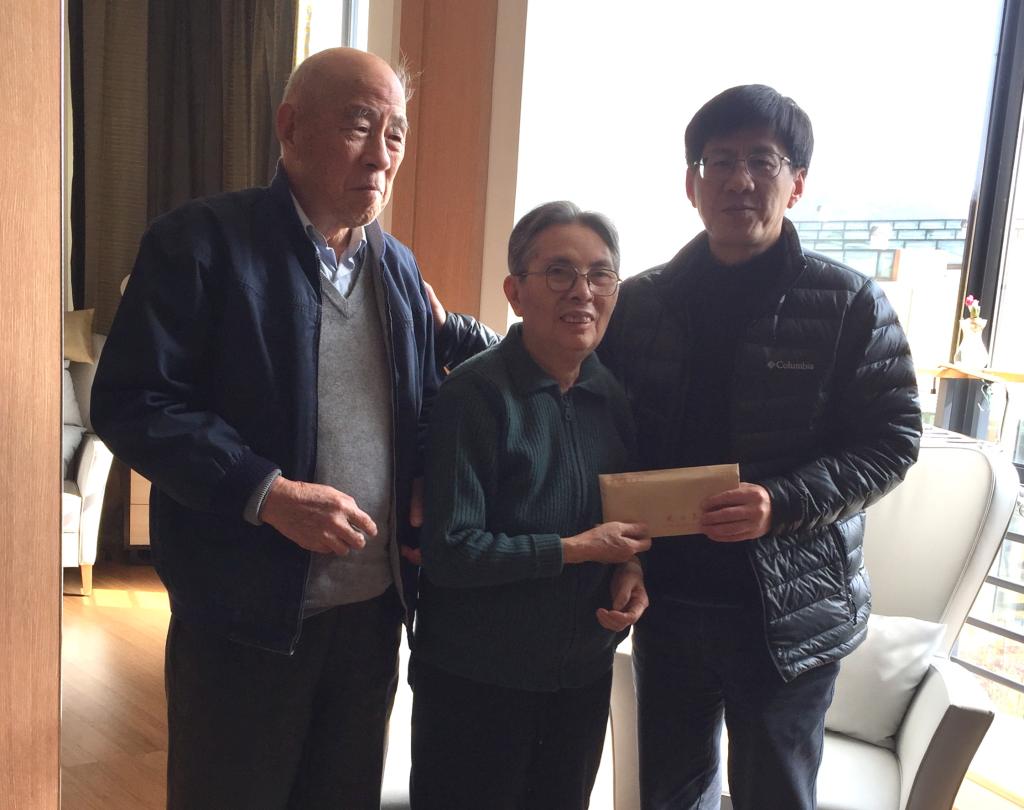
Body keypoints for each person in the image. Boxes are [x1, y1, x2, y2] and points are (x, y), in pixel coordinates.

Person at [92, 47, 444, 810]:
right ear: (289, 127)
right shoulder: (200, 244)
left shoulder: (400, 271)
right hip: (243, 617)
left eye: (395, 134)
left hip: (370, 618)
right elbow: (133, 400)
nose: (381, 156)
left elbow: (420, 410)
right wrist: (267, 492)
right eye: (360, 125)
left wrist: (423, 484)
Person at [594, 85, 923, 809]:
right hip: (667, 602)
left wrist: (781, 503)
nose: (739, 180)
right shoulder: (641, 302)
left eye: (762, 161)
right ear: (692, 184)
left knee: (775, 795)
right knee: (669, 794)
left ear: (796, 182)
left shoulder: (849, 303)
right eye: (719, 161)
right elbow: (598, 426)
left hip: (786, 613)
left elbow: (893, 439)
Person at [410, 202, 651, 810]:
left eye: (600, 274)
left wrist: (628, 567)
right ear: (515, 292)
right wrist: (576, 550)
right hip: (476, 682)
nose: (583, 292)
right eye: (559, 272)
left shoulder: (610, 395)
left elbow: (619, 516)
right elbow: (452, 552)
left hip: (580, 678)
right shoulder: (475, 394)